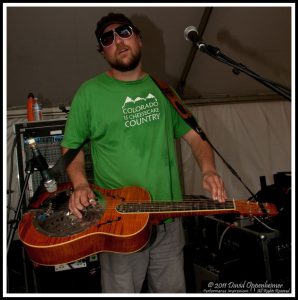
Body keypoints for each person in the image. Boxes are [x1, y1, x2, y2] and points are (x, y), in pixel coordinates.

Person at [61, 12, 227, 293]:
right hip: (120, 224)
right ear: (102, 51)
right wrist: (79, 184)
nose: (118, 41)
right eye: (107, 38)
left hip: (168, 220)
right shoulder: (89, 93)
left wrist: (209, 169)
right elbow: (71, 146)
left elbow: (196, 138)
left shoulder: (165, 91)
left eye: (124, 32)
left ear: (138, 37)